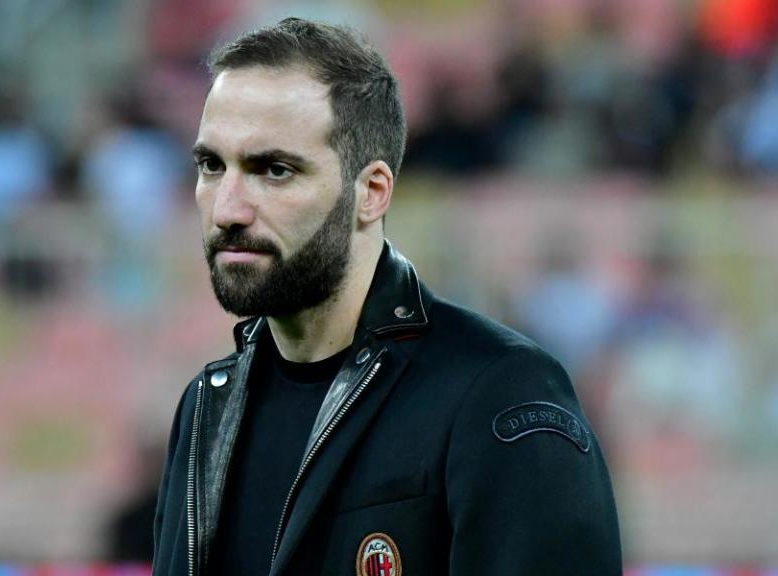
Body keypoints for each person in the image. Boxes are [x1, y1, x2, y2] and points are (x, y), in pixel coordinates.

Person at [153, 17, 621, 576]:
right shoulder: (208, 406)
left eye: (274, 170)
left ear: (371, 192)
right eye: (212, 165)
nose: (227, 208)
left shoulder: (499, 393)